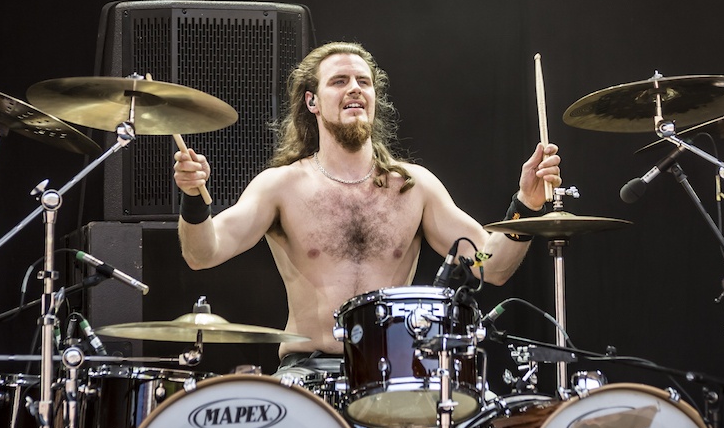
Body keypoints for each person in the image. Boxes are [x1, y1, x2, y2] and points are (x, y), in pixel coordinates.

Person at [173, 41, 561, 374]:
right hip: (309, 372)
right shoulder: (281, 186)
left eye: (364, 81)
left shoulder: (414, 187)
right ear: (312, 101)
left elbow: (492, 265)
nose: (355, 89)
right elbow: (202, 253)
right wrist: (193, 196)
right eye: (339, 81)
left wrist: (525, 204)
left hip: (392, 373)